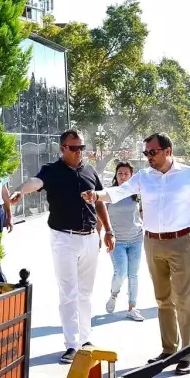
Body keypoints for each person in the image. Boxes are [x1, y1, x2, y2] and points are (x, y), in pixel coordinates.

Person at [83, 134, 190, 375]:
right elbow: (119, 192)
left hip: (181, 241)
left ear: (167, 150)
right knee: (163, 299)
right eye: (146, 153)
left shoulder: (189, 175)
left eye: (153, 152)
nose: (149, 157)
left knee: (184, 299)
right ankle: (168, 350)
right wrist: (96, 195)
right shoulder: (143, 177)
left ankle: (187, 353)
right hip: (152, 242)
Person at [16, 130, 115, 365]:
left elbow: (100, 200)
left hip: (90, 237)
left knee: (86, 293)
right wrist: (21, 189)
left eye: (81, 147)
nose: (78, 152)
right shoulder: (52, 170)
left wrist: (108, 230)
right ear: (63, 149)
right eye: (73, 148)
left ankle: (86, 339)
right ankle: (71, 344)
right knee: (68, 293)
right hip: (64, 238)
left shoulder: (90, 171)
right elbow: (35, 182)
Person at [104, 161, 145, 321]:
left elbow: (143, 213)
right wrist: (101, 235)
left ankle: (132, 307)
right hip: (117, 241)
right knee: (120, 272)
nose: (122, 176)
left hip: (136, 239)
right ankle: (113, 295)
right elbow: (101, 215)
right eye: (120, 173)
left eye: (126, 174)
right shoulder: (109, 193)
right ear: (116, 175)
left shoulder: (137, 194)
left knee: (133, 274)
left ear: (131, 176)